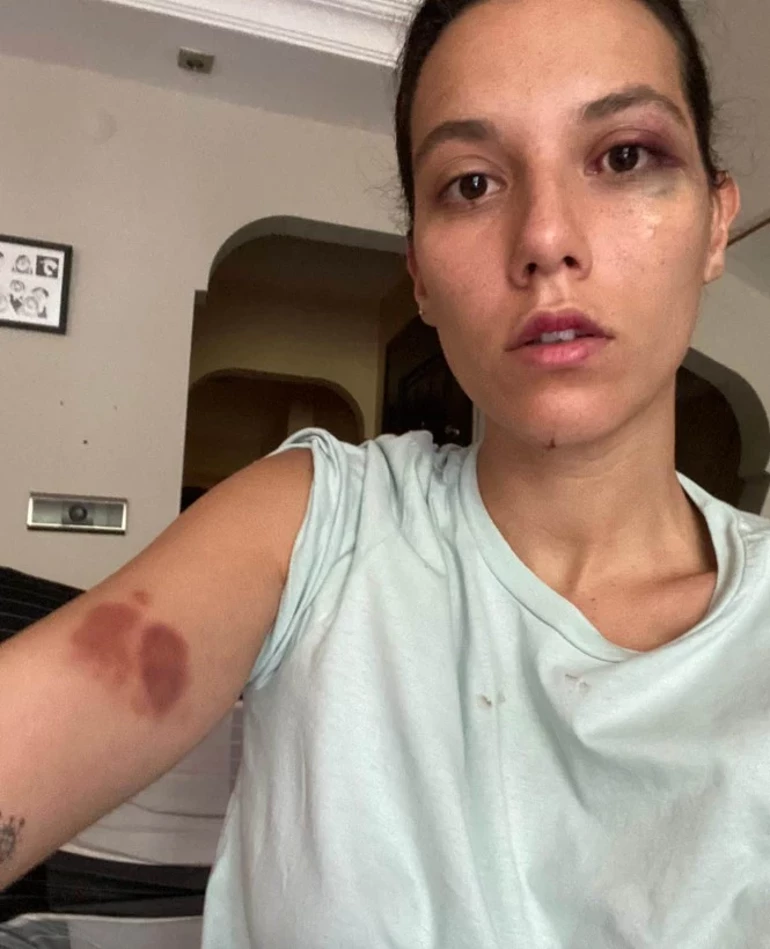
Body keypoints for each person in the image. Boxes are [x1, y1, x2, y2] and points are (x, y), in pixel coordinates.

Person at [0, 0, 767, 945]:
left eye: (623, 157)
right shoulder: (314, 523)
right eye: (473, 183)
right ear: (420, 277)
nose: (545, 237)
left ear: (715, 224)